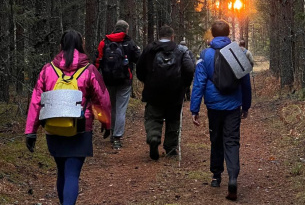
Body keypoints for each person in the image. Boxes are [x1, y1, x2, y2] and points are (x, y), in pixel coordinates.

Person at [25, 30, 111, 205]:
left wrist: (31, 131)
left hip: (53, 126)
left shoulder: (47, 70)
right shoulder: (89, 70)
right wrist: (105, 121)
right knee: (72, 173)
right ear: (81, 45)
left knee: (62, 171)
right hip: (80, 128)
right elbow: (101, 99)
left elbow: (36, 100)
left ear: (60, 46)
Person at [190, 20, 252, 201]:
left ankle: (216, 176)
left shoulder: (205, 55)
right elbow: (245, 83)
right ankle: (232, 178)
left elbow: (199, 83)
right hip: (233, 105)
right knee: (232, 141)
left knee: (216, 138)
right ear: (228, 33)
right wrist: (246, 106)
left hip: (214, 105)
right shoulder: (238, 53)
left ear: (212, 34)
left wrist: (195, 109)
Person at [136, 25, 194, 160]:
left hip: (153, 91)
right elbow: (189, 68)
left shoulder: (150, 49)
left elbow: (139, 68)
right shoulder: (180, 50)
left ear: (159, 36)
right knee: (173, 119)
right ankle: (171, 148)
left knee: (153, 116)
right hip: (175, 92)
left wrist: (147, 81)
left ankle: (154, 137)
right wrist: (184, 85)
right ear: (172, 36)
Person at [94, 20, 140, 150]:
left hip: (108, 80)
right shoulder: (129, 43)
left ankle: (112, 132)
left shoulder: (104, 42)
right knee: (121, 109)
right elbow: (138, 59)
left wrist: (96, 79)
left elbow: (97, 61)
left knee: (112, 107)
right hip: (124, 81)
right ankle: (117, 137)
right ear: (125, 30)